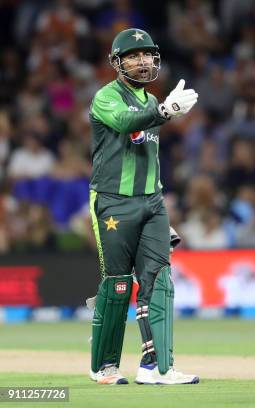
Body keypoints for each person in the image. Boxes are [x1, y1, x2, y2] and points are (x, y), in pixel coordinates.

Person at [88, 28, 199, 385]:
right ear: (117, 63)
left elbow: (147, 152)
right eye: (133, 56)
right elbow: (123, 122)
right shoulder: (105, 97)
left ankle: (157, 368)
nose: (142, 61)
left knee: (159, 281)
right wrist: (165, 111)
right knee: (118, 284)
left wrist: (161, 109)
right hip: (113, 203)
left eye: (147, 54)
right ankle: (103, 366)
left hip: (152, 202)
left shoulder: (152, 102)